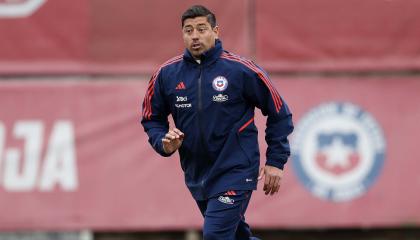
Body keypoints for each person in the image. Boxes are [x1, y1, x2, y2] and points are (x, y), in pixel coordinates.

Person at [141, 5, 293, 240]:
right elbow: (152, 118)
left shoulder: (241, 70)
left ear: (216, 31)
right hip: (197, 174)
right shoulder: (166, 74)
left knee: (214, 236)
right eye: (188, 30)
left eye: (201, 29)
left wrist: (276, 161)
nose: (195, 36)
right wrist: (163, 142)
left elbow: (279, 113)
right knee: (236, 236)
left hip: (236, 169)